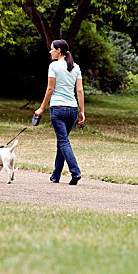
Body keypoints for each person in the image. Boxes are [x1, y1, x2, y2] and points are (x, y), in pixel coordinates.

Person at [35, 39, 85, 185]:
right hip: (72, 109)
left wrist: (41, 108)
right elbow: (80, 90)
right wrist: (82, 111)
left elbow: (50, 89)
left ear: (59, 50)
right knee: (62, 142)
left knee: (63, 141)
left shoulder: (54, 66)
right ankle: (56, 175)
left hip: (57, 109)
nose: (50, 51)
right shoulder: (75, 67)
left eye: (52, 49)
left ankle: (75, 172)